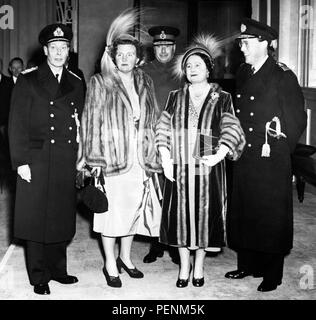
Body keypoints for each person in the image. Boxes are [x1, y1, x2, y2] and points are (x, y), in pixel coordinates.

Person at [77, 9, 162, 288]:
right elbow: (90, 122)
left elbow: (153, 117)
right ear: (113, 57)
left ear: (138, 58)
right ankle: (110, 263)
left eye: (130, 54)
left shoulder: (145, 82)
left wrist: (156, 152)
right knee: (111, 213)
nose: (125, 59)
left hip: (140, 158)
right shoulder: (100, 82)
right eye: (120, 54)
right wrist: (94, 159)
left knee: (133, 210)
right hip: (112, 159)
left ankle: (126, 258)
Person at [156, 34, 245, 288]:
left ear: (208, 68)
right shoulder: (175, 96)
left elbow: (230, 126)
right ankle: (184, 268)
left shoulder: (222, 97)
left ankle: (199, 268)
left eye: (197, 65)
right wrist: (165, 158)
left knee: (205, 216)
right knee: (181, 217)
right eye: (188, 66)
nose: (192, 69)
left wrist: (219, 153)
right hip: (180, 165)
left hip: (208, 166)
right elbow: (162, 128)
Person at [225, 18, 307, 292]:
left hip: (270, 155)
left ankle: (272, 273)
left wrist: (280, 152)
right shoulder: (243, 72)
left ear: (264, 44)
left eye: (246, 43)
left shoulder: (282, 75)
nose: (242, 48)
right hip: (245, 153)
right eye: (241, 42)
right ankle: (247, 264)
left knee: (270, 214)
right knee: (245, 209)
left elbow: (296, 121)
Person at [8, 23, 85, 295]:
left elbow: (80, 123)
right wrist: (20, 162)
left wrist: (82, 158)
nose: (59, 52)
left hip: (65, 158)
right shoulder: (28, 80)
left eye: (64, 48)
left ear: (69, 50)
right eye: (54, 48)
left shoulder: (76, 81)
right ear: (45, 50)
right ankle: (39, 274)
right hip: (36, 159)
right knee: (36, 217)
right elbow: (16, 124)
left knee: (60, 216)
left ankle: (59, 270)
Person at [142, 25, 180, 265]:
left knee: (176, 193)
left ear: (174, 48)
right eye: (159, 46)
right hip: (151, 139)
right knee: (155, 194)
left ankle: (176, 244)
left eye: (167, 46)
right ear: (153, 48)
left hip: (178, 140)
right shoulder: (143, 71)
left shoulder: (184, 70)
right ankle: (155, 243)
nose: (163, 50)